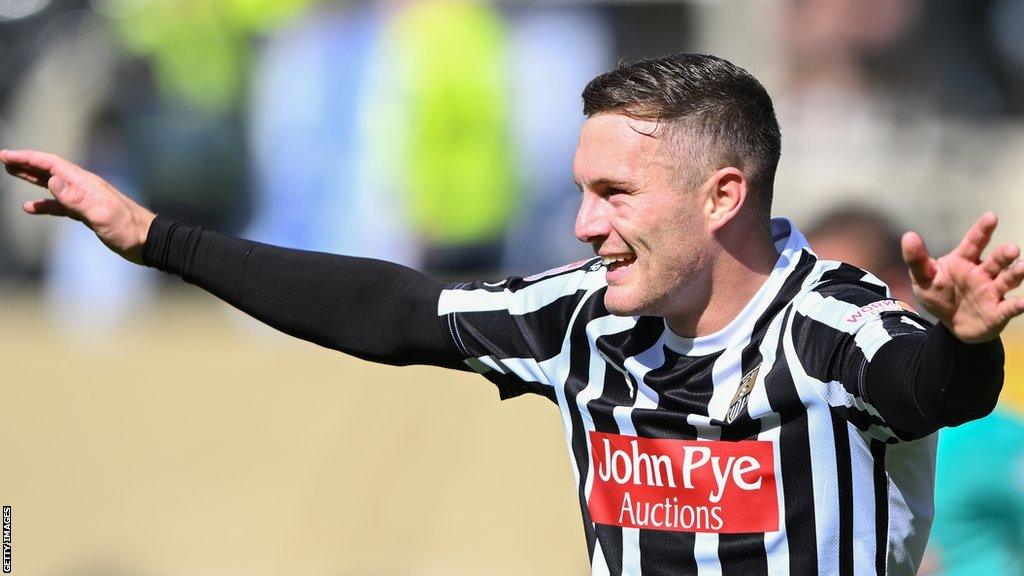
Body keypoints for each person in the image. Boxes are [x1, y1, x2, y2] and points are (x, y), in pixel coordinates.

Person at [3, 53, 1022, 575]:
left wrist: (969, 344)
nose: (582, 224)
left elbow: (929, 389)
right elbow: (393, 310)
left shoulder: (833, 322)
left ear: (720, 197)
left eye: (615, 193)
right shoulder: (582, 320)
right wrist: (153, 236)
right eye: (581, 189)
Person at [806, 206, 1024, 576]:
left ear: (897, 289)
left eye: (845, 298)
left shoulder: (990, 440)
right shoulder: (794, 436)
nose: (825, 319)